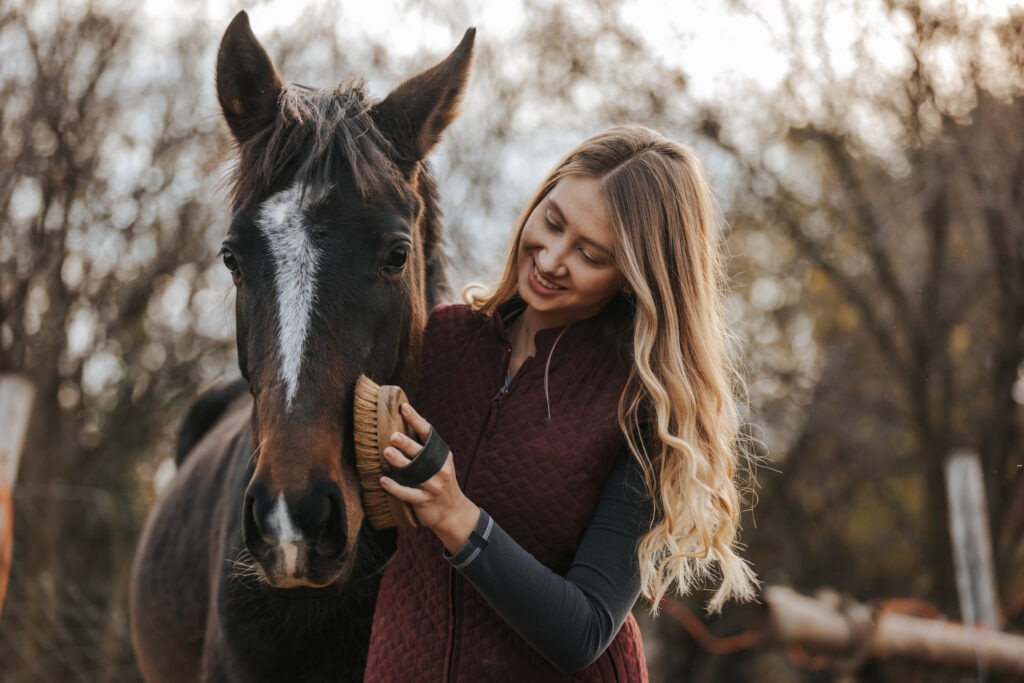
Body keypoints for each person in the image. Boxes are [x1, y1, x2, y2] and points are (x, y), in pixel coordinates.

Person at [363, 125, 758, 682]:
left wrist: (458, 517)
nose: (550, 259)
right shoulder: (440, 341)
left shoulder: (645, 408)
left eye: (590, 254)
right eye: (551, 222)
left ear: (632, 278)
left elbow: (586, 631)